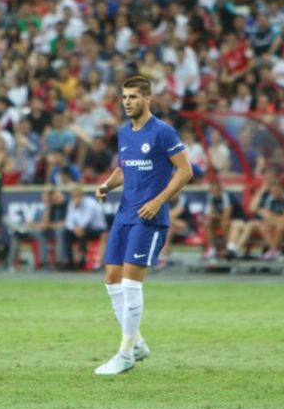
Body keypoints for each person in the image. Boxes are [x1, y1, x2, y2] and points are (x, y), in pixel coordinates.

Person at [93, 75, 193, 375]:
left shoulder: (163, 132)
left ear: (148, 99)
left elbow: (185, 171)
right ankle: (137, 344)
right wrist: (108, 185)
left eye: (134, 96)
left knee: (130, 283)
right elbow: (126, 167)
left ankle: (125, 354)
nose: (127, 102)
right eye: (124, 96)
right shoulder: (125, 134)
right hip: (124, 214)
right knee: (112, 280)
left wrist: (159, 201)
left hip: (149, 219)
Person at [63, 185, 107, 270]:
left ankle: (83, 260)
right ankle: (69, 261)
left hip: (97, 229)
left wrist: (75, 209)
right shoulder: (72, 203)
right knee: (66, 233)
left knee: (82, 232)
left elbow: (86, 221)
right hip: (81, 229)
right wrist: (74, 229)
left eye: (78, 195)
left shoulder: (90, 203)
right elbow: (68, 222)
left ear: (82, 195)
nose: (76, 198)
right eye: (74, 196)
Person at [201, 180, 246, 261]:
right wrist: (212, 216)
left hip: (236, 219)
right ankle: (212, 249)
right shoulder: (211, 197)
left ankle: (227, 248)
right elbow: (210, 213)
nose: (214, 192)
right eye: (212, 190)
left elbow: (226, 216)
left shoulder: (227, 196)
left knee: (224, 223)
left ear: (220, 189)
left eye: (216, 190)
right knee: (207, 223)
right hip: (222, 219)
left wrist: (215, 215)